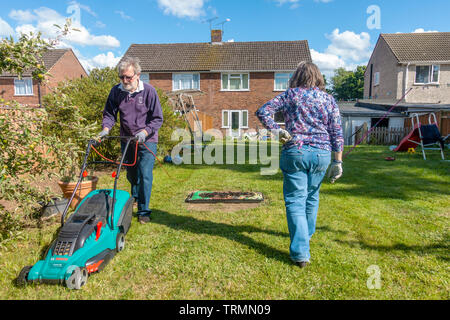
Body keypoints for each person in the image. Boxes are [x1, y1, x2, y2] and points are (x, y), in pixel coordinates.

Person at [256, 62, 344, 268]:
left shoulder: (290, 95)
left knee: (296, 200)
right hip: (321, 154)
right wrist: (337, 161)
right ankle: (306, 235)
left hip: (296, 151)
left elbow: (263, 111)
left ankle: (300, 253)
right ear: (318, 77)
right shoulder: (328, 99)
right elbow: (337, 132)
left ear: (297, 76)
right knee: (312, 196)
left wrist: (276, 130)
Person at [98, 56, 163, 224]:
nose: (125, 80)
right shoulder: (116, 92)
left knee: (145, 173)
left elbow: (157, 119)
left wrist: (145, 131)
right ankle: (135, 195)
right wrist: (105, 129)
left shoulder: (149, 91)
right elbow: (110, 114)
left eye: (128, 77)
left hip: (147, 140)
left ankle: (144, 210)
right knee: (131, 173)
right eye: (122, 77)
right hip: (127, 139)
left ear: (138, 75)